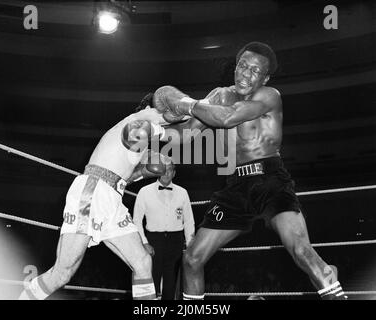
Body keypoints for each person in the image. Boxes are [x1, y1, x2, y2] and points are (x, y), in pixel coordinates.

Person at [152, 42, 348, 300]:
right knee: (192, 259)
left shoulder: (269, 95)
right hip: (234, 188)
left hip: (270, 181)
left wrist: (184, 101)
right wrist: (151, 133)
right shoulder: (219, 95)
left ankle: (331, 287)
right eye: (242, 66)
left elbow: (227, 118)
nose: (245, 73)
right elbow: (185, 135)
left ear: (265, 77)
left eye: (255, 71)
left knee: (301, 250)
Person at [18, 97, 176, 300]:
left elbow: (128, 177)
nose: (164, 115)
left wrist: (149, 169)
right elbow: (166, 119)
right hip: (93, 191)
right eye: (160, 110)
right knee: (62, 273)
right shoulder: (139, 117)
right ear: (147, 107)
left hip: (111, 198)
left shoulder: (138, 143)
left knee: (143, 263)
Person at [133, 161, 195, 300]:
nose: (167, 173)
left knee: (171, 280)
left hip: (176, 240)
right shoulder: (145, 191)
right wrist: (144, 242)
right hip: (153, 240)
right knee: (152, 277)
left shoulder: (182, 192)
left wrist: (190, 244)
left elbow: (189, 221)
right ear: (158, 171)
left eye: (170, 170)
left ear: (174, 173)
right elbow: (136, 220)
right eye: (164, 170)